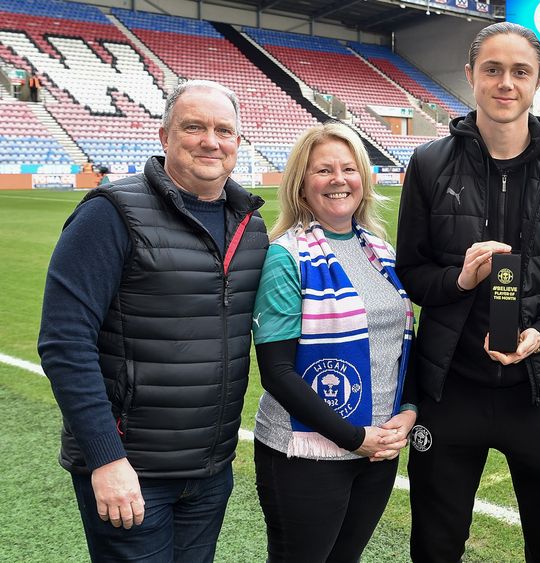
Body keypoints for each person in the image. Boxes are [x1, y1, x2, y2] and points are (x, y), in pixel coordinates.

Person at [37, 79, 268, 562]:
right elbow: (64, 343)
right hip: (131, 470)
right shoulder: (111, 213)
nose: (211, 140)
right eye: (194, 127)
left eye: (224, 130)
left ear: (239, 143)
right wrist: (105, 457)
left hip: (209, 470)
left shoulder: (251, 225)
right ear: (164, 137)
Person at [396, 22, 540, 562]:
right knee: (436, 548)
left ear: (537, 82)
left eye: (519, 71)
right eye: (492, 69)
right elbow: (411, 272)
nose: (505, 82)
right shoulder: (430, 163)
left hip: (539, 389)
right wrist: (459, 281)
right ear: (470, 76)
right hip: (451, 387)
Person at [250, 121, 415, 561]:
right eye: (324, 170)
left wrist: (409, 410)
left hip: (377, 449)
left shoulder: (380, 251)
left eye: (349, 168)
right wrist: (351, 436)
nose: (339, 179)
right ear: (302, 185)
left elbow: (401, 349)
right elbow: (277, 373)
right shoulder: (285, 256)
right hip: (307, 455)